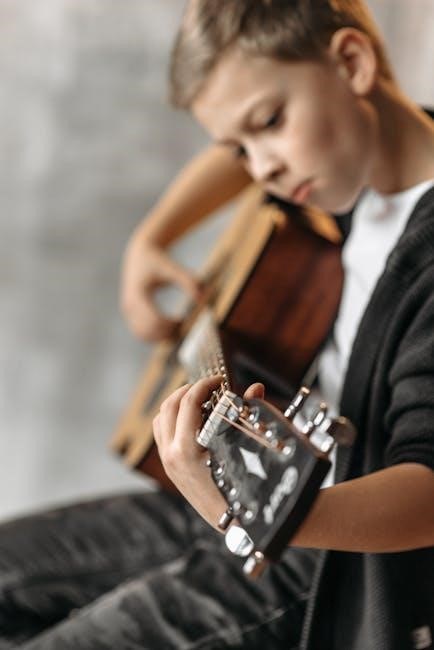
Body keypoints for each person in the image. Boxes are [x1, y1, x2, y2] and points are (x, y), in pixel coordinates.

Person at [1, 1, 434, 648]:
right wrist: (150, 240)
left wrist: (260, 519)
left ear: (352, 63)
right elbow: (244, 143)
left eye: (269, 123)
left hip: (332, 555)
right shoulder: (354, 163)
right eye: (239, 146)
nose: (261, 169)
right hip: (258, 498)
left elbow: (428, 495)